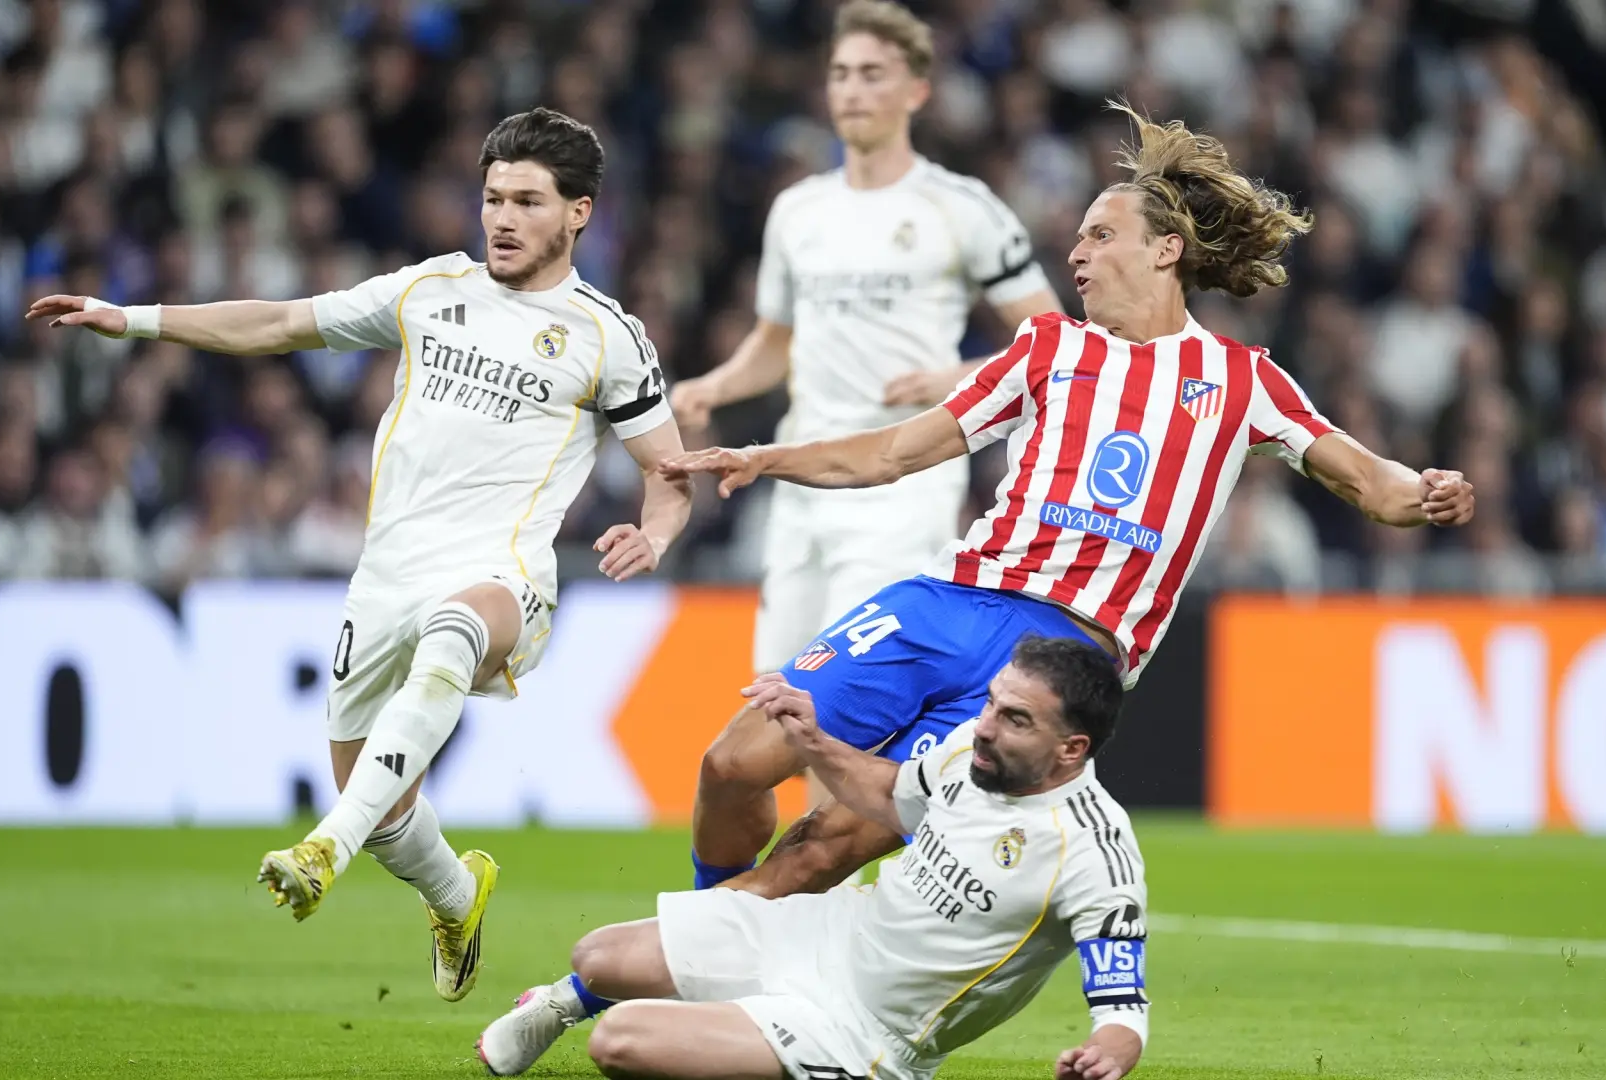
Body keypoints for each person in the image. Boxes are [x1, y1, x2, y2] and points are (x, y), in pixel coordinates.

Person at [661, 102, 1477, 897]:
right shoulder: (1046, 349)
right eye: (1079, 235)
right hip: (949, 602)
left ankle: (665, 975)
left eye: (1099, 234)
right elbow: (891, 451)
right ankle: (700, 931)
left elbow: (1372, 483)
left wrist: (1428, 492)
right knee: (730, 764)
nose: (1075, 252)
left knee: (824, 848)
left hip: (1060, 660)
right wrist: (765, 456)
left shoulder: (1242, 379)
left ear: (1166, 249)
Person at [27, 107, 691, 1003]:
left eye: (527, 202)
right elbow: (278, 322)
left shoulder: (606, 334)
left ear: (579, 213)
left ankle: (321, 848)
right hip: (386, 578)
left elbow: (671, 472)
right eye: (492, 197)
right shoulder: (428, 289)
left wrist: (653, 534)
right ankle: (456, 893)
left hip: (505, 573)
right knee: (385, 804)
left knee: (459, 628)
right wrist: (132, 318)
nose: (501, 217)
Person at [669, 0, 1063, 886]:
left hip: (900, 486)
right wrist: (714, 386)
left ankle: (808, 917)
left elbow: (1053, 340)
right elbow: (775, 340)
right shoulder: (798, 210)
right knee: (768, 714)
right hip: (802, 488)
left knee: (837, 724)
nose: (853, 89)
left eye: (873, 72)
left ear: (916, 88)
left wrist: (963, 375)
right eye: (841, 73)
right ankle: (725, 919)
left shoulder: (961, 208)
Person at [475, 635, 1150, 1080]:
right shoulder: (965, 755)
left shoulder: (1095, 853)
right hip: (827, 936)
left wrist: (1104, 1057)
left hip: (867, 1030)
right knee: (597, 957)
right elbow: (888, 793)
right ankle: (559, 1004)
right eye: (993, 704)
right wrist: (812, 738)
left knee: (619, 1041)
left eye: (1016, 720)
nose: (986, 726)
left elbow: (1123, 1010)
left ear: (1072, 749)